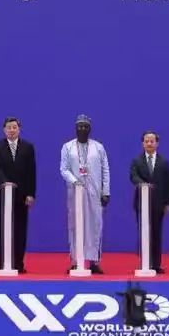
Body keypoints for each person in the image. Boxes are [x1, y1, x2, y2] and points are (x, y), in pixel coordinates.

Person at [60, 114, 111, 274]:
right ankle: (76, 260)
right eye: (80, 126)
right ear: (75, 129)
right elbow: (64, 169)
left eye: (85, 126)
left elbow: (105, 170)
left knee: (95, 225)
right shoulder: (67, 147)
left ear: (90, 129)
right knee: (75, 225)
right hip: (75, 192)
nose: (82, 129)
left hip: (95, 192)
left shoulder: (98, 147)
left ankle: (94, 261)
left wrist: (106, 191)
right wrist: (75, 181)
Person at [0, 116, 36, 273]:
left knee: (20, 230)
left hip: (21, 196)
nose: (11, 130)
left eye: (14, 127)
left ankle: (18, 263)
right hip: (3, 194)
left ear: (19, 129)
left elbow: (31, 172)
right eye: (9, 127)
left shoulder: (28, 147)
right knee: (1, 229)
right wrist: (6, 183)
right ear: (4, 130)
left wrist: (30, 194)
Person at [129, 130, 169, 274]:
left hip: (158, 204)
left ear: (157, 143)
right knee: (144, 233)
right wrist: (142, 184)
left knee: (156, 233)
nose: (149, 143)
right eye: (146, 141)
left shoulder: (164, 162)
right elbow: (133, 176)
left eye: (152, 141)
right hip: (141, 203)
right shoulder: (136, 161)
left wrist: (168, 203)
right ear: (143, 143)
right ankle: (145, 263)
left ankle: (156, 264)